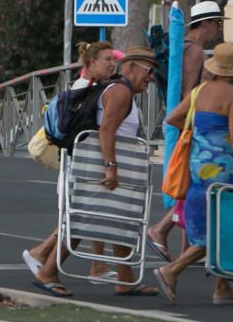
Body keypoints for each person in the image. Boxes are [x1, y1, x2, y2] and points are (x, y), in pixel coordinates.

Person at [32, 46, 160, 297]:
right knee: (84, 222)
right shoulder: (120, 92)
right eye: (150, 70)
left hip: (103, 166)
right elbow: (106, 130)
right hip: (101, 167)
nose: (152, 77)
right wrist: (111, 167)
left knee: (121, 220)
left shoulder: (121, 91)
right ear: (132, 67)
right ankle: (47, 272)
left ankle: (126, 278)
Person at [154, 43, 233, 305]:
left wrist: (198, 134)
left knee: (208, 225)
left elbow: (173, 118)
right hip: (223, 169)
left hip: (197, 166)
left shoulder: (199, 91)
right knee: (225, 229)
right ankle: (171, 270)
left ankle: (223, 288)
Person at [23, 42, 123, 283]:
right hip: (78, 166)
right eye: (107, 59)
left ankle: (96, 266)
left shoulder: (96, 88)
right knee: (80, 217)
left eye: (114, 59)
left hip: (85, 165)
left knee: (89, 215)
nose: (113, 64)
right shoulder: (82, 91)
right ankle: (42, 256)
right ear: (91, 63)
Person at [147, 1, 227, 261]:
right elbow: (189, 92)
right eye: (217, 23)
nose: (218, 29)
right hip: (191, 123)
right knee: (195, 183)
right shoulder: (194, 50)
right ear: (204, 24)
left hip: (183, 121)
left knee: (191, 182)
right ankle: (161, 230)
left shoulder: (183, 46)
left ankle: (188, 246)